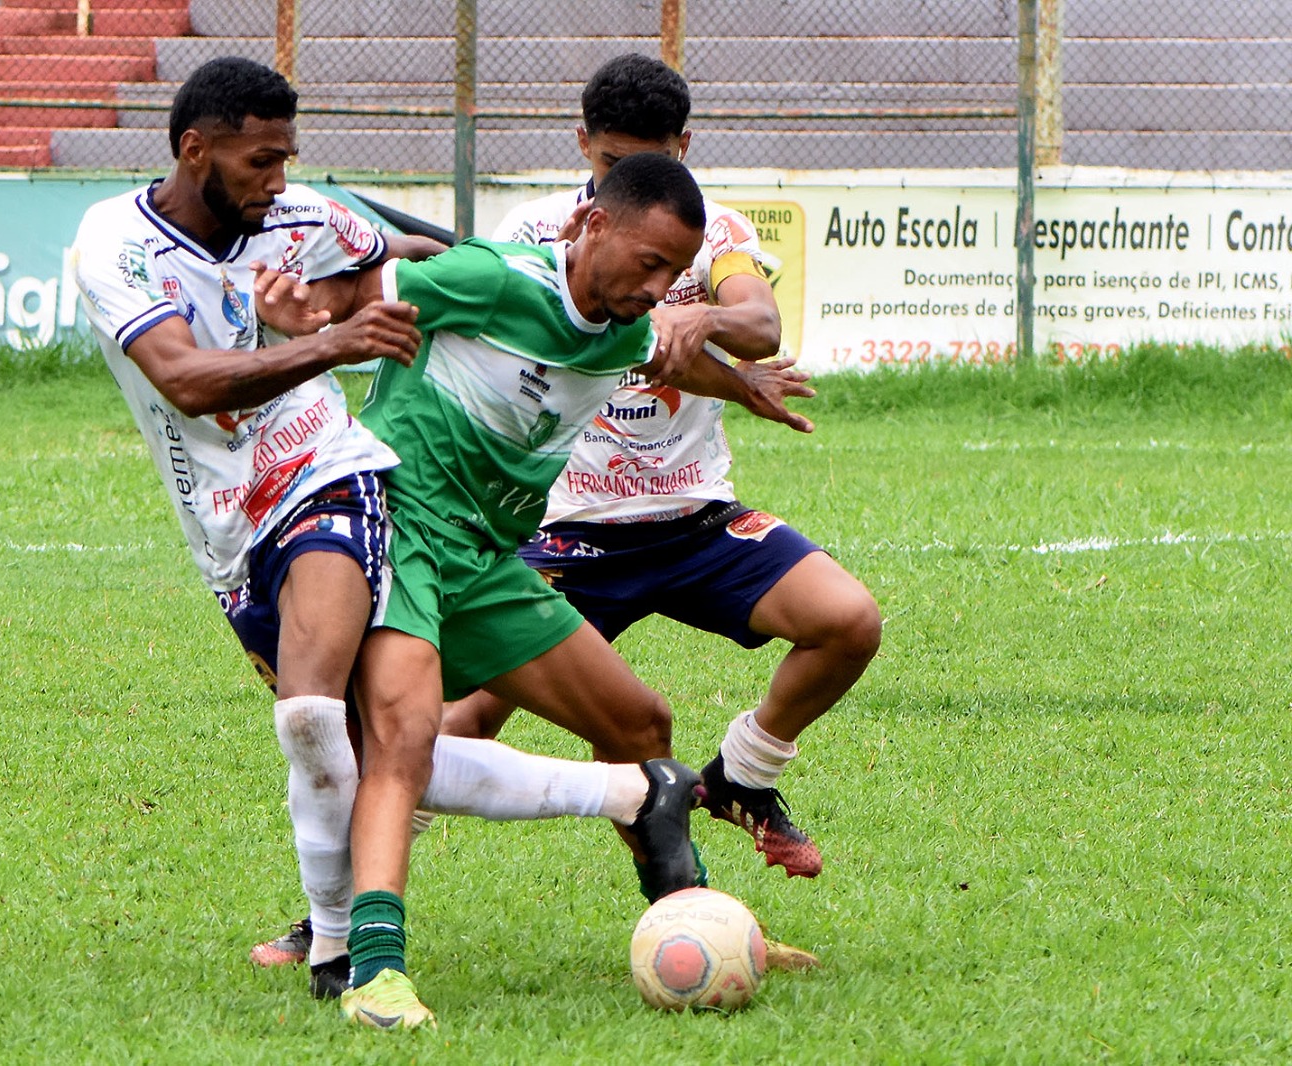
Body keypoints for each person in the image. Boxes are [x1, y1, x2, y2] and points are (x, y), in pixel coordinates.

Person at [72, 56, 702, 1010]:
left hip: (368, 495)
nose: (279, 180)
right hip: (249, 520)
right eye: (261, 161)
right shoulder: (117, 240)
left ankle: (673, 924)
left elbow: (389, 253)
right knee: (369, 742)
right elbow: (201, 376)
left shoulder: (607, 318)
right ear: (195, 148)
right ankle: (349, 933)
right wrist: (317, 327)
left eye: (288, 159)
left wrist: (746, 369)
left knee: (615, 726)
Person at [326, 152, 817, 1029]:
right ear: (592, 226)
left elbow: (663, 360)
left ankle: (696, 919)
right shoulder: (492, 279)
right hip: (400, 528)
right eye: (649, 263)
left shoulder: (627, 326)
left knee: (638, 725)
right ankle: (372, 970)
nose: (660, 287)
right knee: (405, 734)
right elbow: (356, 294)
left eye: (677, 272)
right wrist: (280, 332)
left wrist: (744, 388)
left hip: (487, 558)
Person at [449, 52, 883, 884]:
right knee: (458, 720)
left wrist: (704, 312)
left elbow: (757, 321)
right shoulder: (535, 233)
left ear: (686, 145)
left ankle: (743, 777)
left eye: (660, 159)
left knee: (848, 620)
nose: (643, 179)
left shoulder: (709, 228)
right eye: (617, 164)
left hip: (694, 520)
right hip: (567, 533)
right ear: (583, 146)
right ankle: (340, 915)